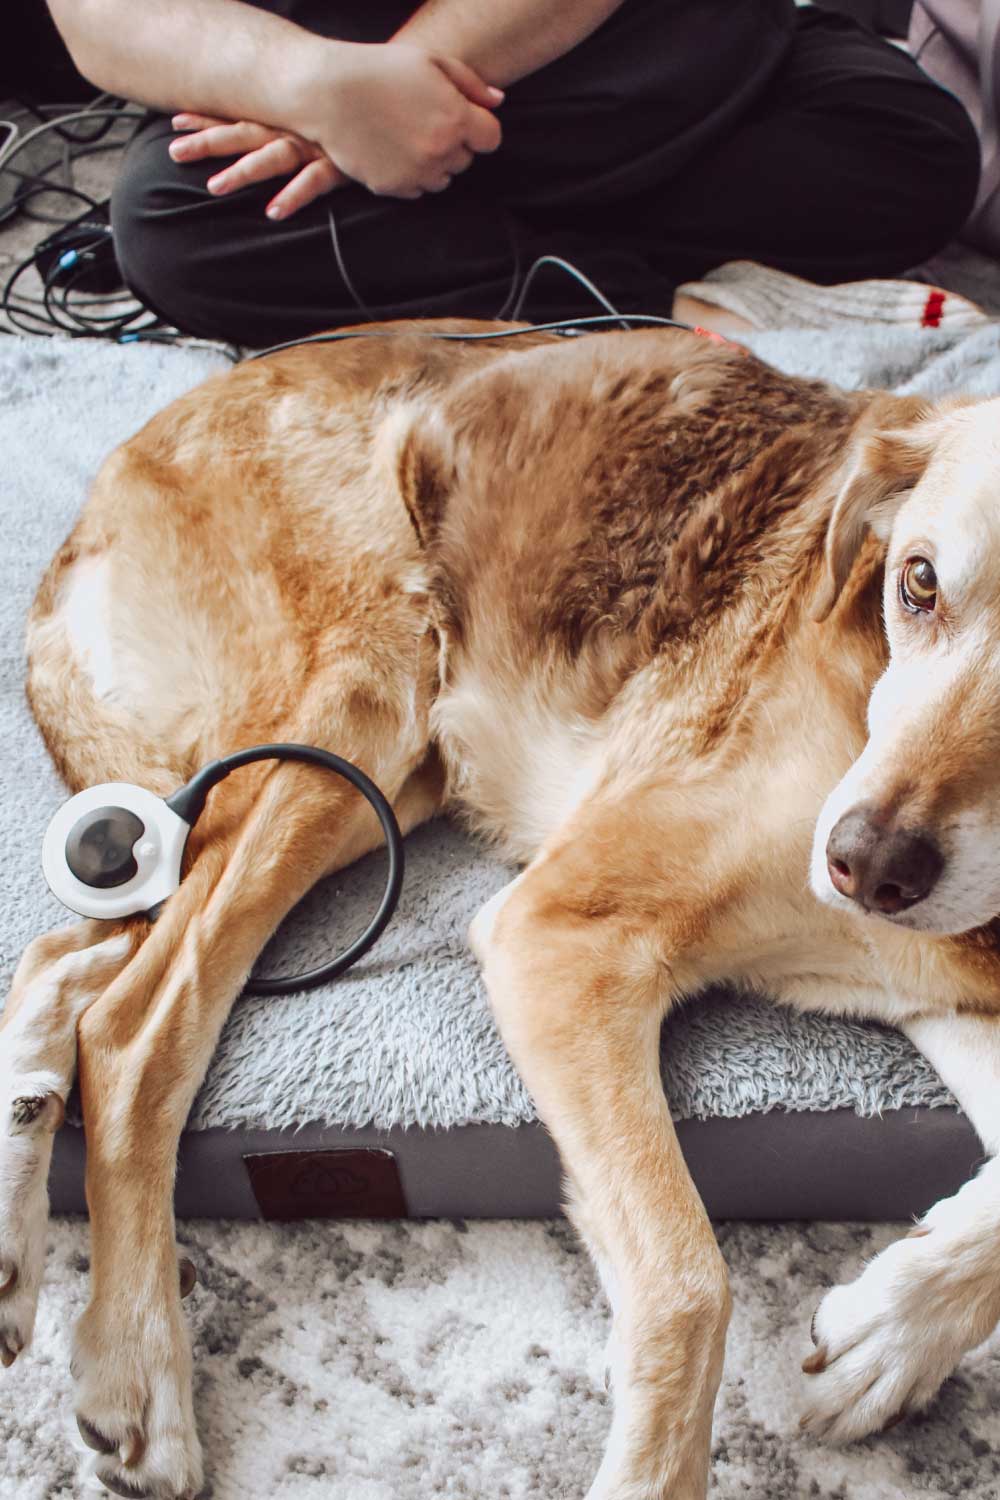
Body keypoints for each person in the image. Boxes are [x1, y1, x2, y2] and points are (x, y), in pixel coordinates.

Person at [47, 0, 982, 348]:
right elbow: (98, 17)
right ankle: (645, 306)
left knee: (910, 145)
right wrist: (315, 86)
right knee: (172, 226)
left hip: (597, 51)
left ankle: (477, 262)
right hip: (310, 70)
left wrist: (388, 101)